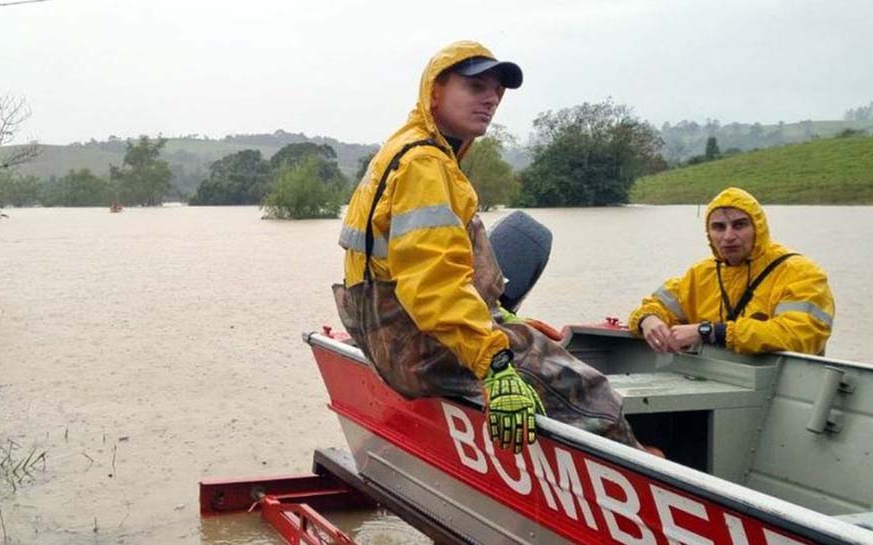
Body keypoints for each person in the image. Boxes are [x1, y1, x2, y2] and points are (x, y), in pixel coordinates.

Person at [334, 40, 644, 454]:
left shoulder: (410, 149)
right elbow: (433, 285)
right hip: (423, 345)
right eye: (476, 86)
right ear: (435, 91)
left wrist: (502, 319)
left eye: (497, 89)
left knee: (532, 338)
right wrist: (495, 363)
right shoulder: (424, 165)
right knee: (592, 394)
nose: (491, 98)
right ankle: (646, 481)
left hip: (398, 333)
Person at [629, 186, 835, 355]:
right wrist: (648, 320)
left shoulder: (801, 273)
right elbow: (654, 306)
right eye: (719, 227)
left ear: (759, 228)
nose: (728, 236)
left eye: (739, 225)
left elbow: (799, 336)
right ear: (709, 233)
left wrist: (709, 331)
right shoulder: (700, 274)